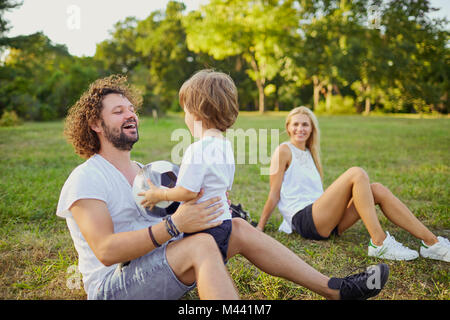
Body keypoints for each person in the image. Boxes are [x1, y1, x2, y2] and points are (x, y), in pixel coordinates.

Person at [57, 75, 389, 300]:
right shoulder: (86, 178)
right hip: (114, 287)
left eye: (131, 109)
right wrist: (174, 225)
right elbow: (106, 251)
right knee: (201, 245)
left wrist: (213, 206)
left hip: (161, 266)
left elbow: (190, 196)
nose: (131, 115)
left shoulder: (150, 172)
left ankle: (336, 289)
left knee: (239, 228)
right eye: (119, 111)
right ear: (96, 124)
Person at [257, 106, 450, 262]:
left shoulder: (310, 154)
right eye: (296, 124)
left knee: (377, 189)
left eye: (305, 124)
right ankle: (379, 243)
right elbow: (274, 193)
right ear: (288, 127)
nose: (300, 129)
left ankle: (431, 243)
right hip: (305, 220)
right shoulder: (283, 150)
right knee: (356, 173)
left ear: (312, 129)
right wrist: (259, 228)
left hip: (326, 221)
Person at [139, 70, 238, 261]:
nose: (185, 118)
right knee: (216, 264)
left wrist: (159, 194)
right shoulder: (225, 145)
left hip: (204, 225)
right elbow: (226, 185)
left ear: (196, 112)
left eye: (185, 111)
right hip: (224, 222)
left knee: (205, 269)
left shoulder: (198, 149)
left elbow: (187, 192)